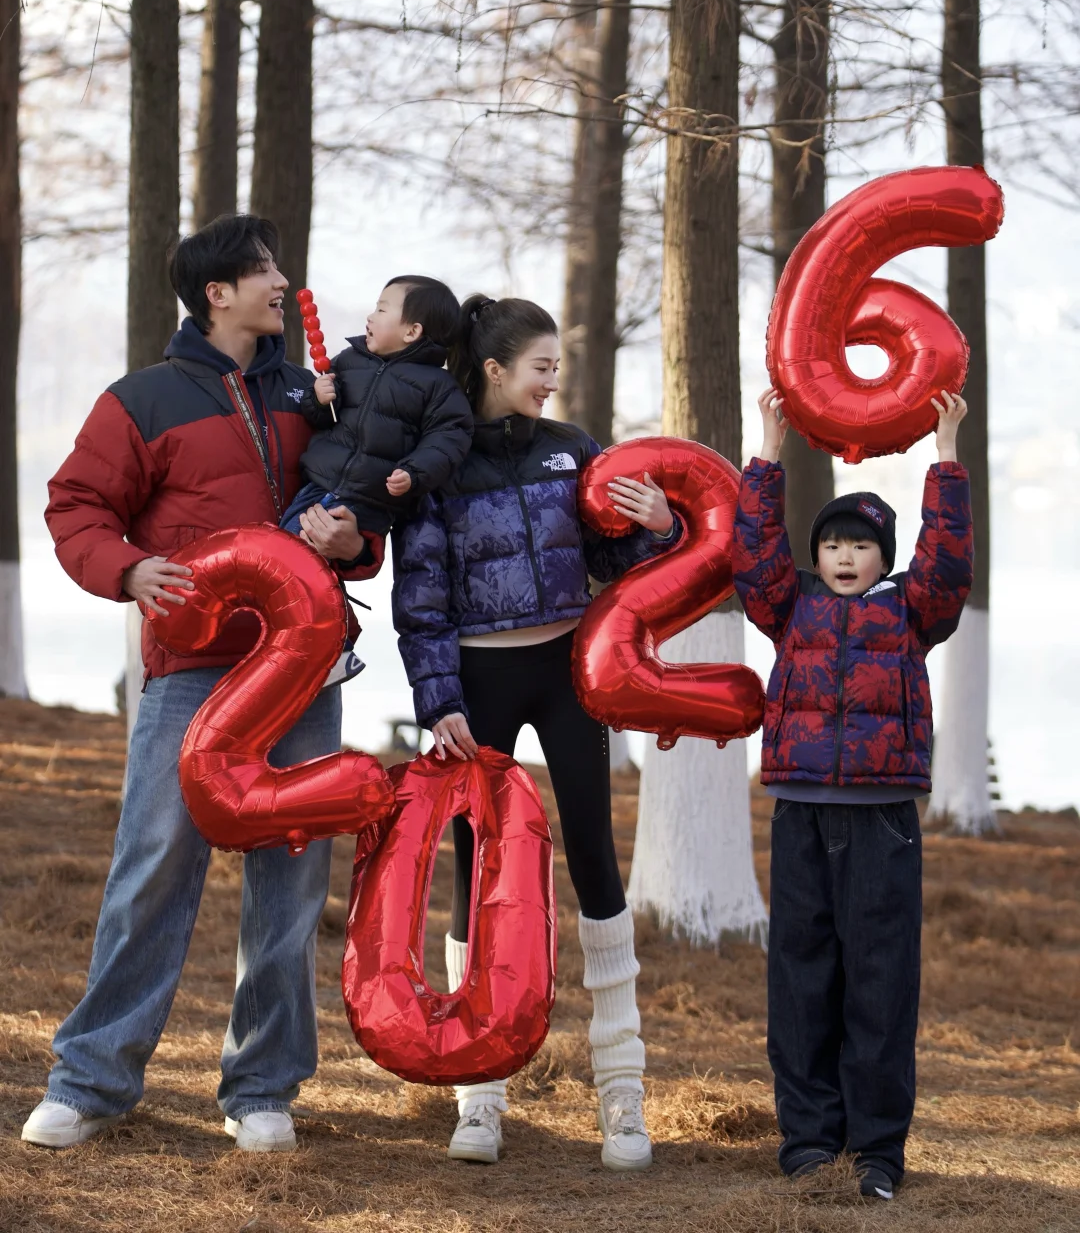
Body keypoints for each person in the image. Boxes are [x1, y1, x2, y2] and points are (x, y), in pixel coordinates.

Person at [21, 215, 381, 1154]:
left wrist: (357, 541)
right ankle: (90, 1080)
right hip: (191, 672)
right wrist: (129, 572)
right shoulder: (140, 399)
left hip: (306, 670)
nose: (280, 281)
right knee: (152, 868)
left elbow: (361, 500)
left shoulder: (315, 396)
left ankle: (263, 1088)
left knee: (292, 881)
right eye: (262, 270)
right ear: (216, 292)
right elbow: (76, 506)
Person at [392, 295, 680, 1172]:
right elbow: (421, 601)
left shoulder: (574, 450)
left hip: (564, 677)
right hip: (475, 687)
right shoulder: (442, 463)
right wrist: (436, 698)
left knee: (594, 857)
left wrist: (661, 529)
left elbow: (616, 566)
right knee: (477, 869)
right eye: (541, 367)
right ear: (494, 370)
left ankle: (622, 1095)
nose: (553, 382)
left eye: (556, 367)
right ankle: (478, 1097)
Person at [732, 386, 974, 1202]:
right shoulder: (789, 608)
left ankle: (876, 1152)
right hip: (801, 812)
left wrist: (945, 456)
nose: (842, 557)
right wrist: (767, 449)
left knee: (879, 980)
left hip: (883, 824)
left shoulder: (913, 612)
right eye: (831, 543)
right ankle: (807, 1140)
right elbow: (753, 556)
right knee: (801, 979)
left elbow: (948, 562)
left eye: (858, 546)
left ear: (883, 556)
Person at [280, 276, 473, 539]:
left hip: (370, 502)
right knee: (284, 543)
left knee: (300, 554)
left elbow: (449, 438)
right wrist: (319, 399)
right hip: (317, 485)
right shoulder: (348, 361)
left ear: (411, 332)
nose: (370, 317)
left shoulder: (438, 386)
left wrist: (414, 472)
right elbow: (319, 418)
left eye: (382, 310)